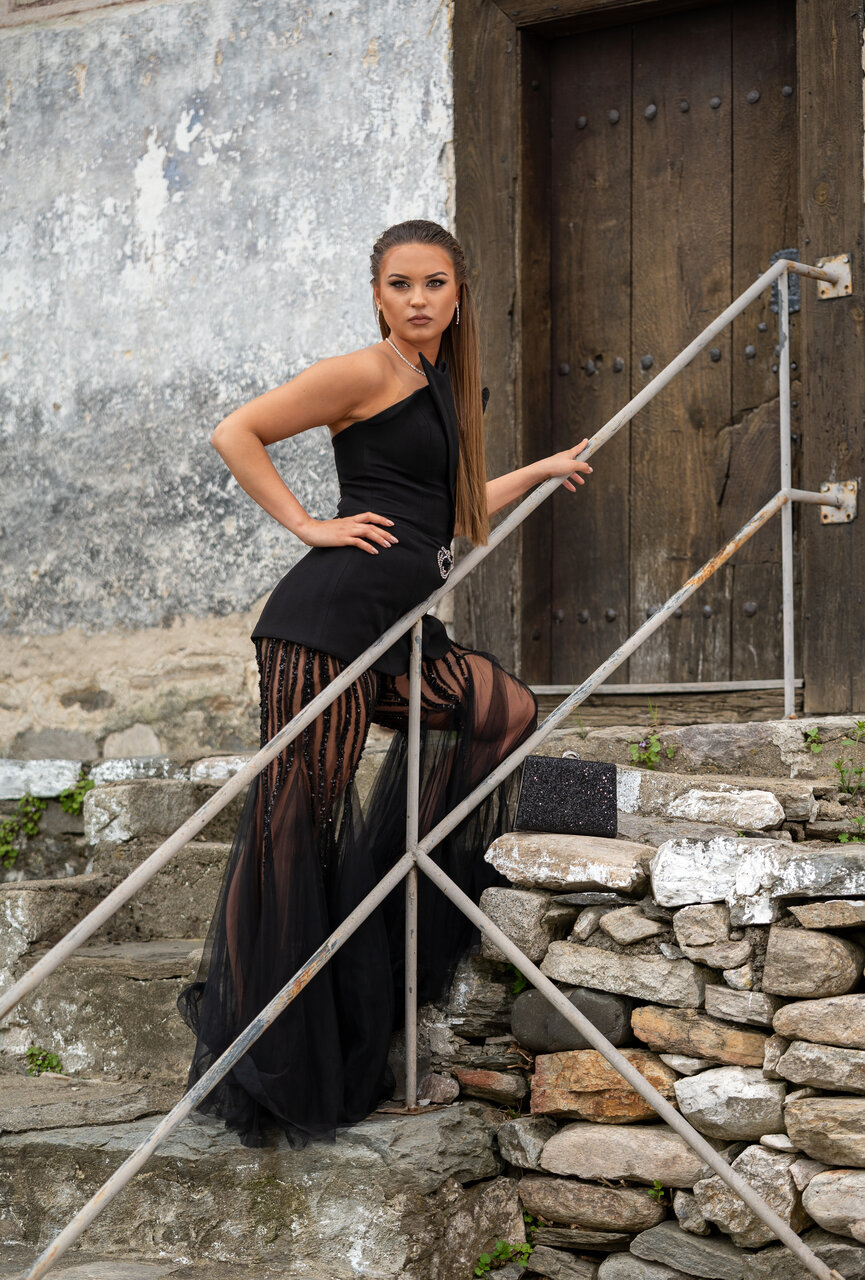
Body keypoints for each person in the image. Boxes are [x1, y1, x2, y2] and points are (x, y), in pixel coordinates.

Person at [176, 218, 592, 1149]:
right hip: (323, 629)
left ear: (458, 293)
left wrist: (539, 470)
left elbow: (449, 513)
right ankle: (257, 1053)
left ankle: (394, 912)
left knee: (501, 709)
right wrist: (308, 526)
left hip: (396, 633)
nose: (417, 299)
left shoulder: (439, 384)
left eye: (433, 282)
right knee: (292, 831)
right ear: (377, 295)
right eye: (399, 284)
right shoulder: (365, 371)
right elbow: (236, 432)